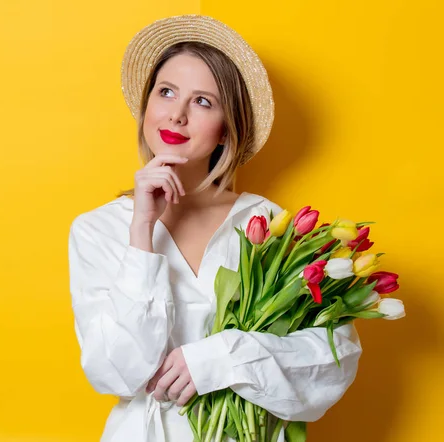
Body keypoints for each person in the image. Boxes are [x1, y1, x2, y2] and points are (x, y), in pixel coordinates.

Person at [68, 14, 362, 442]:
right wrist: (141, 232)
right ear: (147, 104)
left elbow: (335, 360)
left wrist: (220, 358)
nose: (177, 115)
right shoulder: (98, 230)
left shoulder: (268, 224)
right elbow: (115, 373)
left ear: (227, 129)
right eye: (166, 92)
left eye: (203, 101)